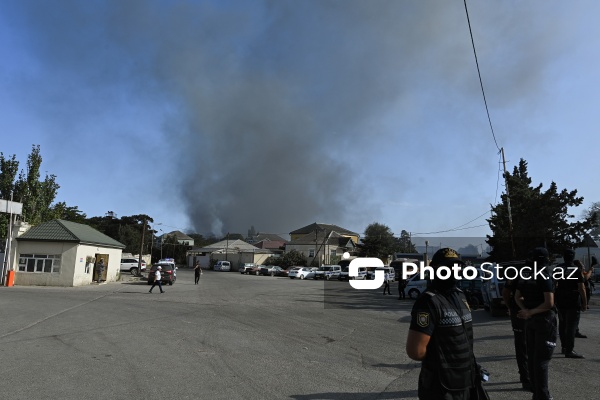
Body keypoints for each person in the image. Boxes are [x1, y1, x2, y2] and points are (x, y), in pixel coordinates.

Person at [406, 248, 485, 400]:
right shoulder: (428, 301)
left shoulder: (460, 295)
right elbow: (415, 351)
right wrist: (441, 359)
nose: (452, 271)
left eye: (456, 267)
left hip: (468, 382)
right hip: (441, 388)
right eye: (447, 268)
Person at [514, 247, 557, 400]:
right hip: (544, 321)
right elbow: (549, 303)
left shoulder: (525, 274)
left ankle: (537, 394)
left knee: (532, 358)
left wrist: (526, 311)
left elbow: (517, 296)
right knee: (542, 360)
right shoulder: (544, 274)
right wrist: (530, 312)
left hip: (530, 321)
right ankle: (543, 396)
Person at [501, 257, 531, 391]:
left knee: (525, 346)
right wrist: (511, 307)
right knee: (524, 346)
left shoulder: (519, 274)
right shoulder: (534, 273)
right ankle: (526, 378)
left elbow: (505, 293)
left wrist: (510, 307)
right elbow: (506, 292)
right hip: (523, 312)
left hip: (526, 312)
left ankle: (529, 377)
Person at [554, 249, 587, 357]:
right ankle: (569, 350)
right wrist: (584, 303)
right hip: (573, 299)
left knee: (562, 324)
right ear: (573, 257)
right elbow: (581, 288)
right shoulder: (576, 269)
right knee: (571, 326)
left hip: (560, 299)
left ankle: (564, 347)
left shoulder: (558, 268)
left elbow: (553, 285)